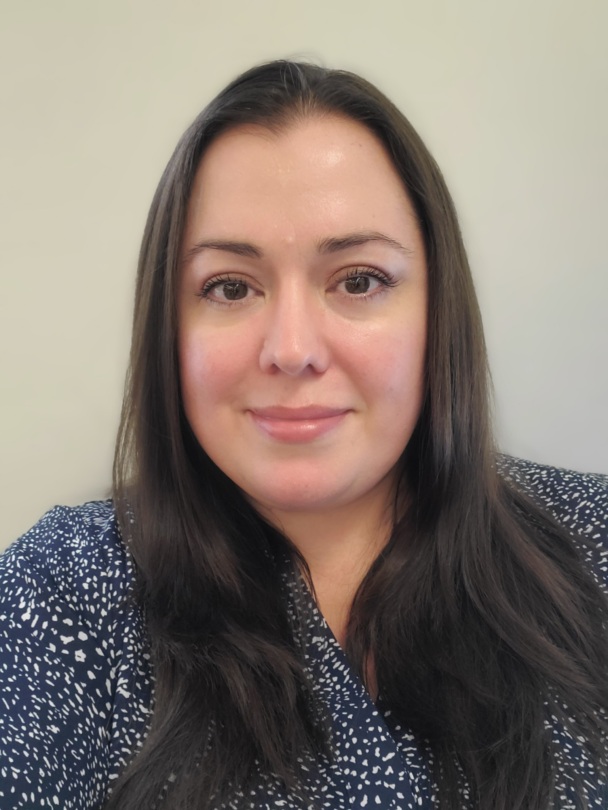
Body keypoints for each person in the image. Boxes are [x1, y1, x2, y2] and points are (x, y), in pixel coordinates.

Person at [0, 60, 607, 810]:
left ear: (437, 314)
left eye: (358, 280)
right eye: (230, 287)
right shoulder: (59, 592)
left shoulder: (595, 544)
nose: (291, 348)